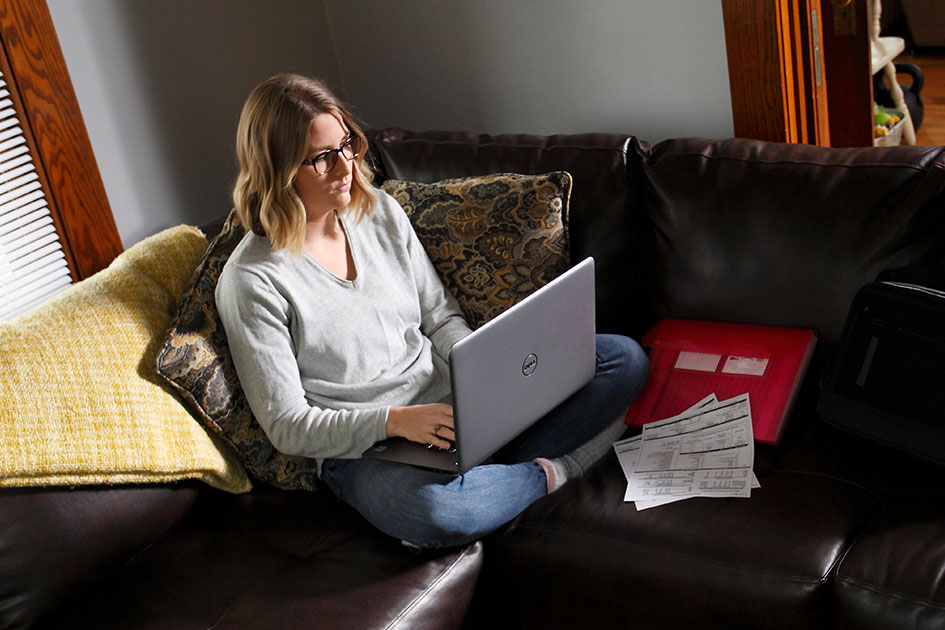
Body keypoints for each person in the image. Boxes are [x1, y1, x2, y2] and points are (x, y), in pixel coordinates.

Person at [216, 73, 649, 549]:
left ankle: (486, 468)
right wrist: (396, 421)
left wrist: (483, 371)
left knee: (621, 360)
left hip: (453, 404)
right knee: (435, 512)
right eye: (321, 159)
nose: (344, 167)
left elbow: (439, 316)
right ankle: (556, 470)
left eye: (346, 145)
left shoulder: (378, 211)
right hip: (367, 449)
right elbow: (287, 426)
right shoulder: (253, 282)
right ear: (275, 171)